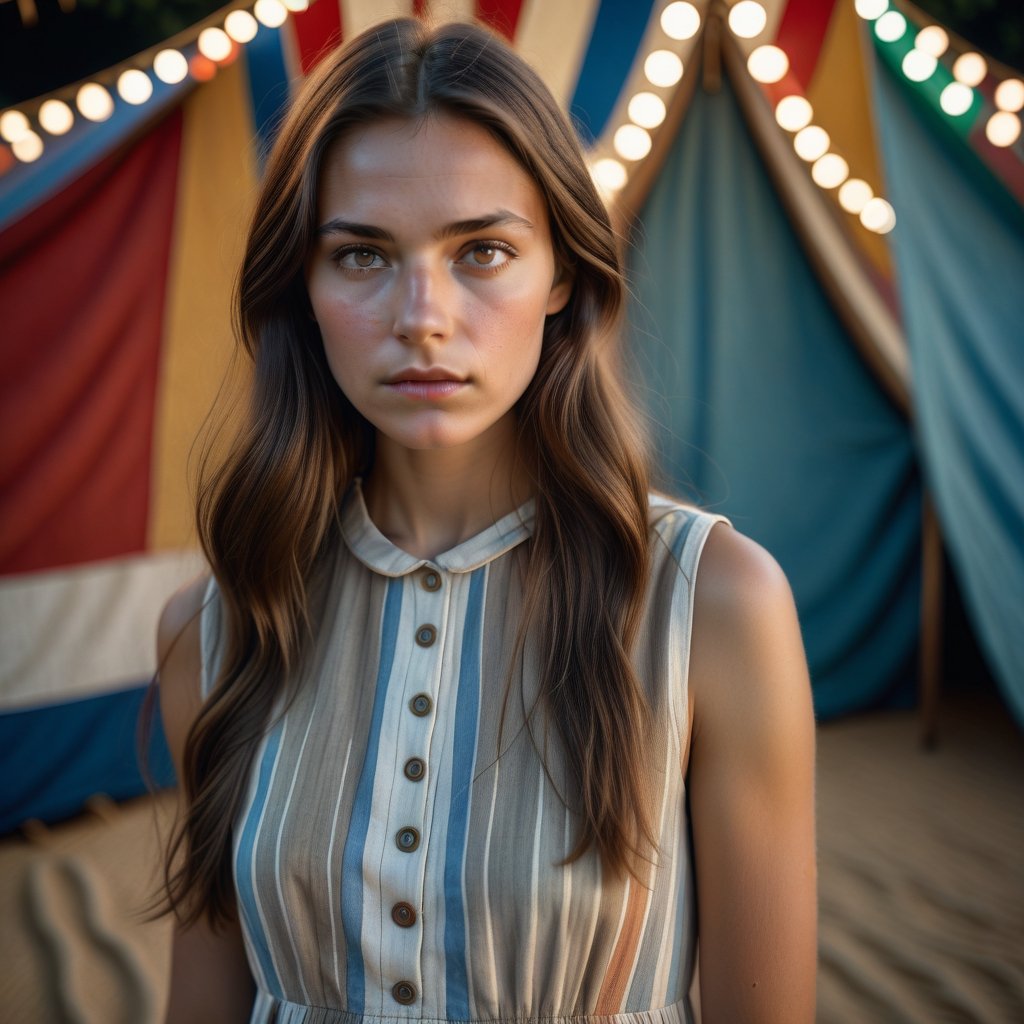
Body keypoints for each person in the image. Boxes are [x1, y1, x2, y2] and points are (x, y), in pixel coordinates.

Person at [156, 17, 816, 1024]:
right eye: (363, 255)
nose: (421, 314)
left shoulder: (714, 605)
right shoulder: (219, 626)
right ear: (305, 283)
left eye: (482, 250)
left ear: (561, 274)